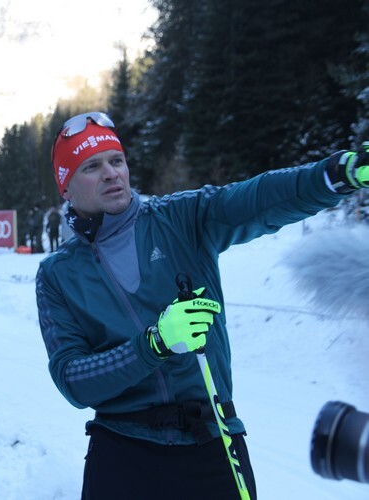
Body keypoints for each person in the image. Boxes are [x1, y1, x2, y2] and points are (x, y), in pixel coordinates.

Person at [35, 111, 369, 499]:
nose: (111, 173)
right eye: (91, 166)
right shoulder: (58, 274)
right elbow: (74, 380)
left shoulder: (182, 218)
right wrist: (154, 344)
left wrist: (335, 175)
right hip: (122, 450)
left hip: (211, 441)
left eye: (116, 160)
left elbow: (258, 199)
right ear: (66, 188)